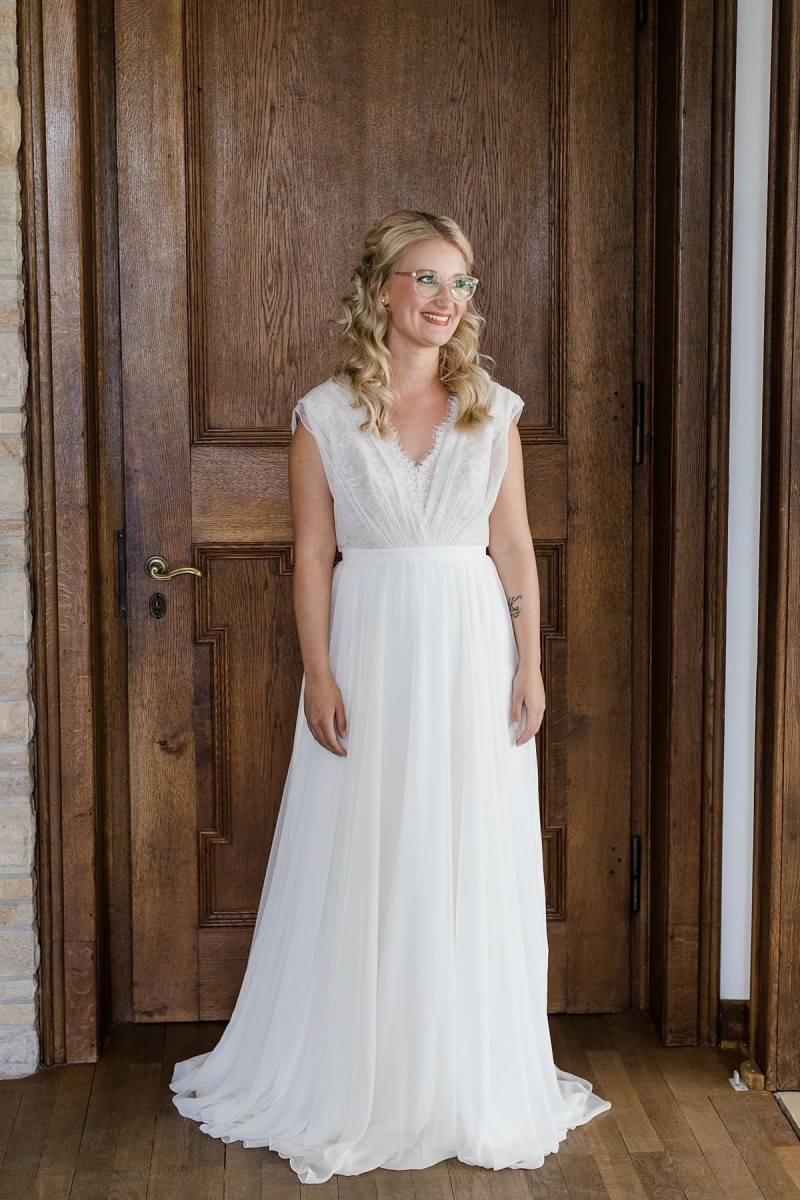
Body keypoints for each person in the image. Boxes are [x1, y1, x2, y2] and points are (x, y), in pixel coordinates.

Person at [170, 209, 611, 1183]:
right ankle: (356, 1072)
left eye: (461, 284)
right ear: (382, 291)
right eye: (426, 279)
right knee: (368, 846)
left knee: (461, 845)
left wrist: (529, 665)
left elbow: (513, 549)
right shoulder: (324, 415)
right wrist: (319, 672)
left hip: (468, 651)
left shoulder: (490, 410)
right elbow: (311, 556)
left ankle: (462, 1075)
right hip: (369, 649)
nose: (446, 300)